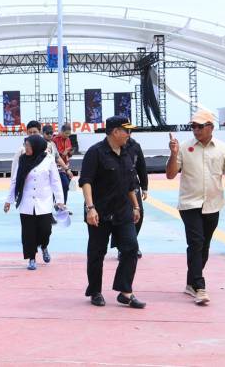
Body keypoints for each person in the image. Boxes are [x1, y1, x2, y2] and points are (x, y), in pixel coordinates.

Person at [166, 110, 225, 305]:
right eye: (193, 126)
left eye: (200, 126)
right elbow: (170, 174)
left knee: (204, 246)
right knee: (196, 242)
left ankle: (191, 283)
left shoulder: (223, 148)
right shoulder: (183, 147)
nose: (196, 130)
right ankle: (200, 287)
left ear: (211, 127)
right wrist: (173, 154)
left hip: (213, 203)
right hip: (189, 203)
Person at [80, 116, 145, 309]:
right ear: (115, 131)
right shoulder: (95, 153)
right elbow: (86, 181)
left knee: (131, 248)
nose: (129, 135)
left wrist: (136, 206)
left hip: (123, 211)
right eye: (127, 131)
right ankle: (95, 291)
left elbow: (131, 184)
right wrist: (90, 208)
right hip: (100, 212)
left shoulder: (127, 152)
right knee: (96, 252)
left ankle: (125, 291)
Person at [4, 134, 66, 269]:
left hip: (44, 201)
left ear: (36, 146)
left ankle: (44, 246)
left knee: (45, 230)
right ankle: (31, 258)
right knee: (28, 232)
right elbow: (15, 180)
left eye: (28, 145)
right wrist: (9, 200)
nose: (25, 148)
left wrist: (60, 201)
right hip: (26, 201)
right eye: (25, 145)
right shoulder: (22, 160)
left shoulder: (48, 160)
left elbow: (55, 181)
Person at [42, 125, 74, 202]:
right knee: (58, 187)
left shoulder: (53, 143)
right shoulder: (54, 140)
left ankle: (62, 206)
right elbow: (58, 157)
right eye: (47, 133)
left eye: (51, 133)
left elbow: (58, 157)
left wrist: (69, 153)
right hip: (54, 168)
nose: (50, 135)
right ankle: (56, 205)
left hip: (64, 166)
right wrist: (64, 153)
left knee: (65, 187)